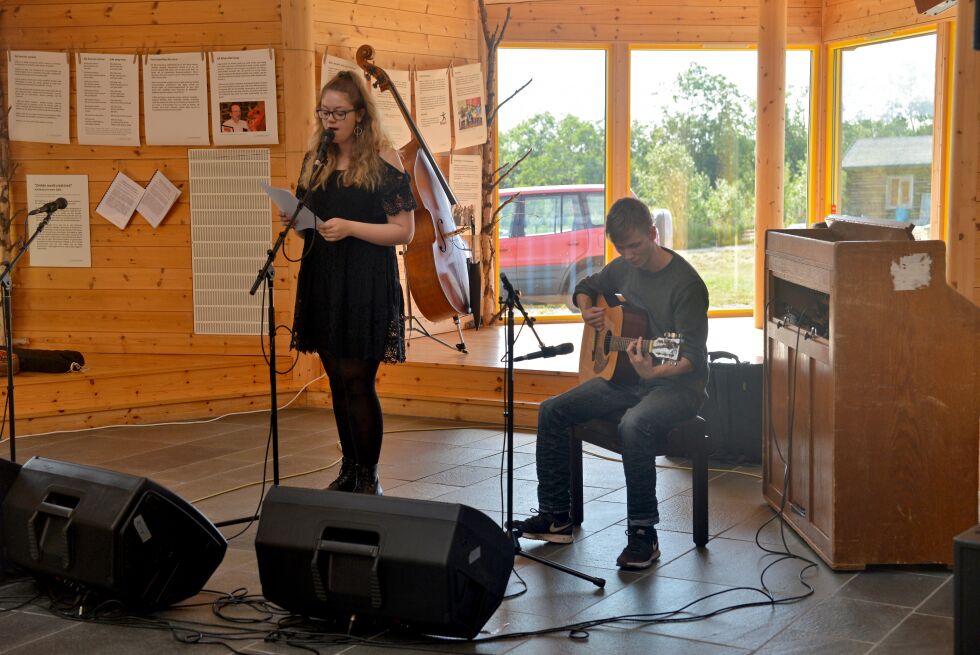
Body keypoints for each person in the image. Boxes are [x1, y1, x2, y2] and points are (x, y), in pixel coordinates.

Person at [511, 197, 709, 570]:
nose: (630, 256)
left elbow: (692, 357)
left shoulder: (686, 285)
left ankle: (642, 535)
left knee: (633, 424)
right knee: (552, 410)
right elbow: (586, 285)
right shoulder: (622, 268)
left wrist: (654, 373)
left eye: (635, 246)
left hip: (677, 387)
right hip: (625, 377)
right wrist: (588, 309)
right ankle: (556, 517)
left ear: (653, 234)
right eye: (622, 249)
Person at [280, 71, 416, 495]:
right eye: (324, 112)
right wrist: (297, 221)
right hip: (324, 278)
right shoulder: (315, 161)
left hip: (365, 281)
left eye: (339, 112)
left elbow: (403, 231)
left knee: (358, 379)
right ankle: (349, 470)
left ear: (361, 115)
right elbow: (313, 228)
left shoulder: (384, 159)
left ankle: (369, 476)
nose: (330, 121)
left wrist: (352, 228)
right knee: (336, 379)